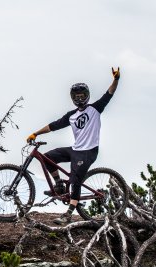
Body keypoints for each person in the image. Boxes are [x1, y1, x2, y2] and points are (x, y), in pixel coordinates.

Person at [26, 67, 120, 225]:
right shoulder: (72, 116)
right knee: (48, 157)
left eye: (82, 95)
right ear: (72, 98)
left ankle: (68, 213)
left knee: (75, 181)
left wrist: (116, 79)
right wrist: (35, 133)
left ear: (87, 96)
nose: (79, 98)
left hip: (88, 152)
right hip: (75, 150)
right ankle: (59, 185)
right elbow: (54, 125)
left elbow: (109, 94)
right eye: (76, 96)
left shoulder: (95, 109)